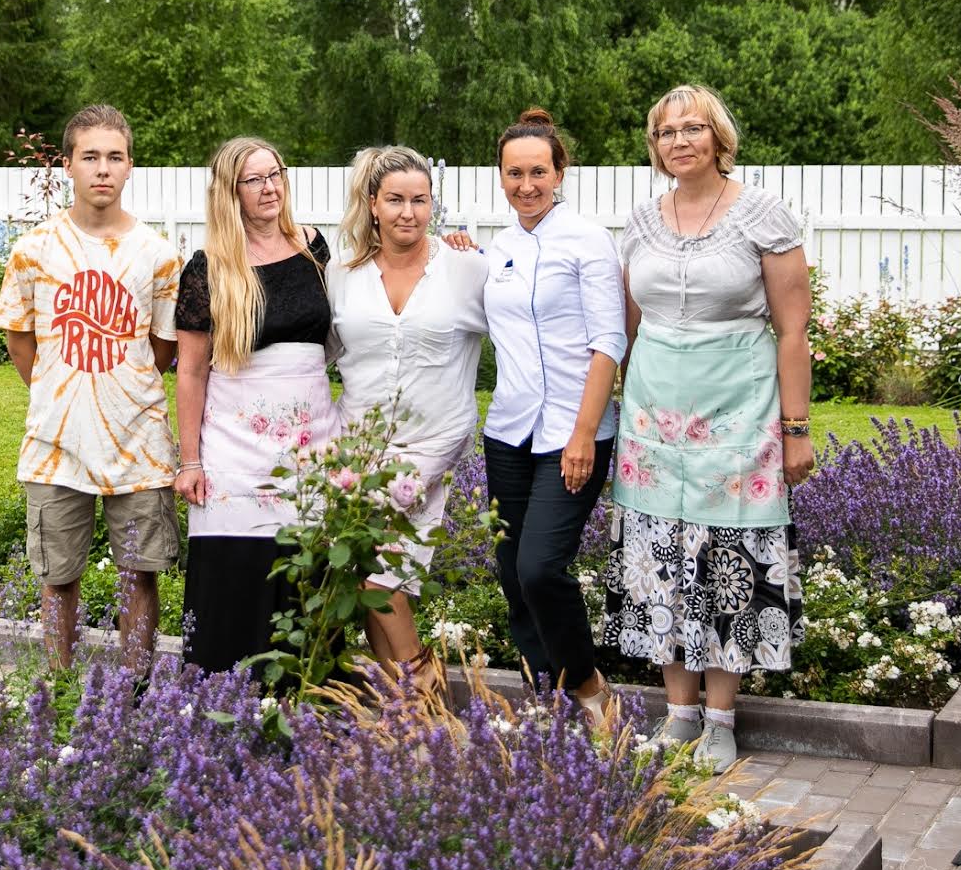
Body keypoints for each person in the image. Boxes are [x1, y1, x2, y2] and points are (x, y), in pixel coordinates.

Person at [602, 84, 814, 772]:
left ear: (718, 138)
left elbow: (791, 329)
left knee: (727, 560)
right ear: (654, 145)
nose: (679, 140)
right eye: (666, 131)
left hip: (739, 408)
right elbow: (626, 331)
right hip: (654, 415)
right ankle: (679, 713)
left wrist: (795, 426)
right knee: (661, 555)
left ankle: (720, 718)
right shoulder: (640, 221)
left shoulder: (762, 215)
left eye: (693, 128)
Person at [0, 105, 183, 672]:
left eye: (115, 157)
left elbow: (163, 348)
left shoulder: (158, 255)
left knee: (139, 573)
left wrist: (115, 388)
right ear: (69, 166)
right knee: (59, 576)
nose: (103, 169)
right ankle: (60, 688)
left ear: (130, 168)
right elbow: (21, 341)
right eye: (91, 157)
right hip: (56, 445)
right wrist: (64, 389)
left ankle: (136, 689)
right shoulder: (34, 249)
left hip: (138, 443)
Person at [480, 109, 626, 727]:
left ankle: (591, 688)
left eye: (538, 171)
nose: (526, 184)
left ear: (560, 171)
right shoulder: (500, 246)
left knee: (541, 567)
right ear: (502, 176)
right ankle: (550, 698)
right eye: (515, 173)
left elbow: (609, 342)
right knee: (513, 574)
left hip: (574, 431)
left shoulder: (588, 241)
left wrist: (584, 434)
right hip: (508, 432)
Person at [173, 137, 339, 673]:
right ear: (231, 192)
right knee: (235, 576)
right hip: (234, 450)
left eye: (276, 175)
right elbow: (192, 371)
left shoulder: (313, 247)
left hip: (311, 446)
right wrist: (190, 460)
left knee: (305, 576)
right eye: (255, 179)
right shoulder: (209, 268)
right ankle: (221, 707)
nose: (270, 188)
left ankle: (307, 704)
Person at [327, 144, 488, 674]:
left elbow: (521, 330)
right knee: (364, 572)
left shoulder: (465, 269)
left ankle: (423, 691)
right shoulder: (344, 274)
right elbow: (322, 351)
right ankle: (401, 700)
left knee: (380, 573)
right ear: (373, 203)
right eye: (395, 199)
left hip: (431, 443)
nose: (408, 213)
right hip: (359, 443)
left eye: (420, 200)